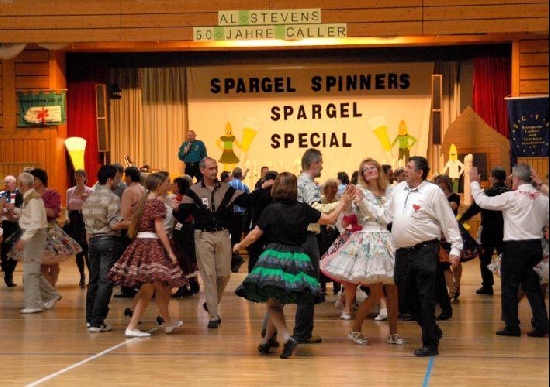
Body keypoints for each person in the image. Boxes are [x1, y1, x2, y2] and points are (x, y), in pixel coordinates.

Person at [234, 172, 354, 359]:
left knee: (273, 304)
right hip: (298, 258)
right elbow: (330, 219)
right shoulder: (303, 209)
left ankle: (286, 337)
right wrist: (343, 201)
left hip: (274, 257)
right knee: (276, 300)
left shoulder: (272, 209)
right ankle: (265, 342)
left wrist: (239, 245)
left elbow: (255, 234)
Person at [356, 156, 462, 356]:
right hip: (403, 253)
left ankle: (430, 344)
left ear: (420, 172)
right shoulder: (398, 190)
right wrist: (363, 202)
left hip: (425, 250)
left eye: (409, 167)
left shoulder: (433, 192)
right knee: (404, 299)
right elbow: (385, 215)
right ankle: (432, 330)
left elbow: (448, 221)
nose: (405, 170)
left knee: (425, 297)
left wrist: (455, 248)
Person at [321, 158, 405, 346]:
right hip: (369, 240)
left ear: (378, 170)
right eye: (365, 169)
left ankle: (394, 333)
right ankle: (355, 329)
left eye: (372, 167)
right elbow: (349, 215)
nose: (369, 171)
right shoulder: (360, 191)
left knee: (393, 291)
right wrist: (349, 200)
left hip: (387, 239)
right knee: (375, 293)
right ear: (362, 174)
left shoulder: (390, 191)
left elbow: (388, 215)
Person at [176, 157, 258, 328]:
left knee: (224, 274)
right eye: (211, 168)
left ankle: (211, 303)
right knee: (209, 274)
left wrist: (263, 189)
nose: (214, 171)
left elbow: (248, 200)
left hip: (222, 234)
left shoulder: (227, 189)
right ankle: (214, 315)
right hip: (203, 236)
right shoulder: (193, 191)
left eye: (216, 168)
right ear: (202, 170)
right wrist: (174, 210)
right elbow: (182, 214)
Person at [469, 164, 549, 337]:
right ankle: (542, 325)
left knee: (510, 286)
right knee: (533, 287)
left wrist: (474, 183)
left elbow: (483, 201)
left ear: (518, 178)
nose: (511, 180)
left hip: (515, 247)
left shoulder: (512, 197)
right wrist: (541, 184)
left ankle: (512, 326)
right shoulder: (543, 198)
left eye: (513, 177)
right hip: (535, 246)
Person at [108, 173, 186, 337]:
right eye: (167, 182)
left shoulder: (143, 202)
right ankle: (133, 326)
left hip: (141, 243)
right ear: (159, 186)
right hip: (151, 245)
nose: (169, 185)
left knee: (154, 286)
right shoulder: (156, 203)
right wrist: (170, 252)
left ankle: (167, 322)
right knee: (151, 287)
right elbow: (159, 229)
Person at [294, 148, 344, 344]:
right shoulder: (310, 185)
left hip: (293, 237)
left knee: (287, 283)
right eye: (320, 163)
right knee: (309, 284)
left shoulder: (295, 183)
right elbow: (316, 211)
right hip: (307, 238)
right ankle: (303, 332)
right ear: (314, 164)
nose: (322, 166)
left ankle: (270, 332)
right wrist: (340, 204)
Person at [82, 165, 127, 332]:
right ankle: (97, 321)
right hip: (108, 240)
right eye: (117, 177)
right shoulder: (112, 197)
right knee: (105, 281)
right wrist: (132, 222)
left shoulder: (90, 197)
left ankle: (90, 318)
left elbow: (86, 223)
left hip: (92, 240)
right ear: (110, 179)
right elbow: (115, 224)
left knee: (93, 281)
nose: (119, 181)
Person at [14, 172, 61, 314]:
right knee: (32, 270)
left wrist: (24, 238)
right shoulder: (30, 197)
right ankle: (51, 295)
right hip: (34, 234)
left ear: (22, 184)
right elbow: (31, 216)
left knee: (30, 272)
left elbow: (35, 222)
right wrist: (15, 211)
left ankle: (33, 304)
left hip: (34, 235)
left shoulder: (33, 199)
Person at [459, 166, 510, 295]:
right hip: (505, 230)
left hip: (487, 230)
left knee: (485, 258)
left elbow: (473, 209)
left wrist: (460, 221)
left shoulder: (487, 193)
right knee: (505, 258)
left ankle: (487, 286)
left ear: (493, 178)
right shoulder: (510, 193)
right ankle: (507, 285)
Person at [29, 168, 82, 288]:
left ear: (41, 181)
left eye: (35, 179)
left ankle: (51, 289)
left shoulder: (52, 194)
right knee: (41, 264)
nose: (32, 182)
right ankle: (49, 293)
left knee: (53, 264)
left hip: (50, 230)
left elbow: (53, 212)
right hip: (35, 231)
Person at [113, 166, 144, 298]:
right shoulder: (143, 189)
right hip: (141, 227)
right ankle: (138, 285)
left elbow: (124, 213)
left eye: (126, 176)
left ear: (130, 177)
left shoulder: (128, 191)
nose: (124, 179)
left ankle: (127, 287)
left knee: (127, 258)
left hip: (129, 227)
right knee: (138, 258)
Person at [434, 174, 462, 303]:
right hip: (440, 232)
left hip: (452, 230)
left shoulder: (454, 196)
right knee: (444, 263)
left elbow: (450, 208)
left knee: (456, 262)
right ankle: (451, 290)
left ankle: (456, 286)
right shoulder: (435, 197)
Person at [64, 169, 94, 288]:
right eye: (77, 176)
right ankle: (81, 275)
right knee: (78, 251)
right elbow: (67, 207)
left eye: (81, 176)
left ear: (85, 178)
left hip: (85, 220)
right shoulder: (70, 191)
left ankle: (92, 276)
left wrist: (87, 200)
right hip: (74, 220)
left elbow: (94, 208)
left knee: (87, 250)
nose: (78, 178)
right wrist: (66, 217)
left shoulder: (90, 191)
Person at [171, 175, 200, 297]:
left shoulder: (180, 199)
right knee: (188, 259)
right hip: (187, 230)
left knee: (182, 258)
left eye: (174, 184)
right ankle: (193, 284)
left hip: (183, 232)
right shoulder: (184, 198)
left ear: (179, 187)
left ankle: (184, 286)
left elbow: (179, 216)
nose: (172, 186)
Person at [0, 175, 23, 287]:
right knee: (5, 248)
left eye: (7, 183)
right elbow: (1, 210)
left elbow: (19, 210)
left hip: (17, 225)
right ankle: (6, 269)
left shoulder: (19, 194)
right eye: (5, 183)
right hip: (6, 224)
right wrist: (6, 211)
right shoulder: (2, 194)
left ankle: (9, 275)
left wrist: (10, 211)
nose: (5, 185)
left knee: (15, 251)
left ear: (14, 183)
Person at [228, 167, 249, 273]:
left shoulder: (228, 185)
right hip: (241, 215)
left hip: (230, 215)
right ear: (241, 175)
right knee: (236, 239)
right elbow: (249, 201)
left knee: (229, 239)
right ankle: (235, 259)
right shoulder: (244, 186)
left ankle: (233, 261)